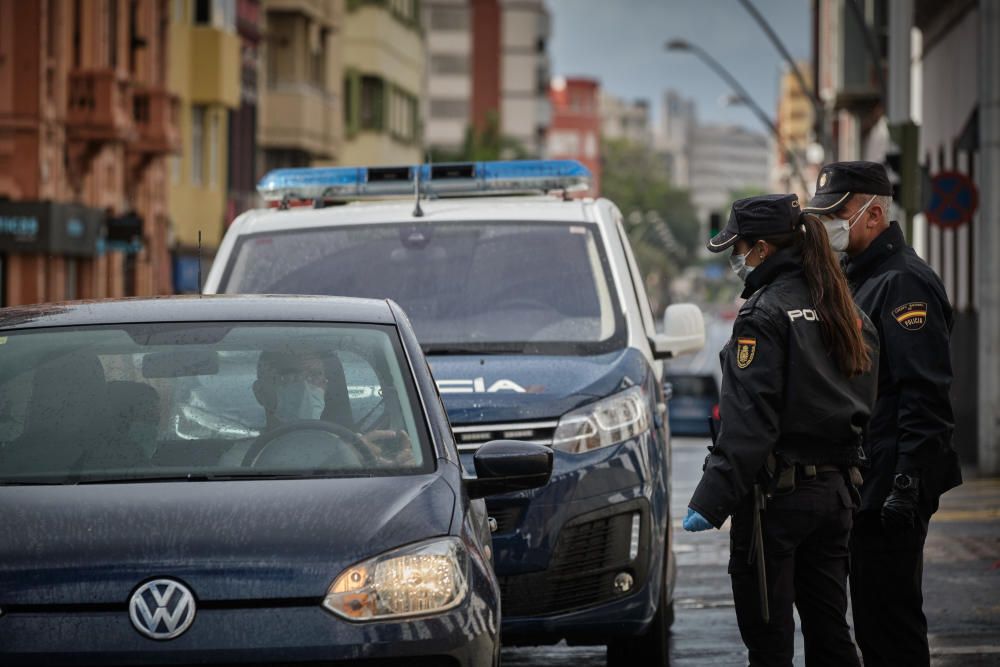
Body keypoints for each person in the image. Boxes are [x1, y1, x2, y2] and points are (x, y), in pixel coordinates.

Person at [684, 194, 879, 666]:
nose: (736, 259)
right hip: (837, 495)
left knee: (769, 643)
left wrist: (710, 502)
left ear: (763, 249)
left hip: (776, 503)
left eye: (740, 247)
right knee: (831, 633)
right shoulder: (843, 309)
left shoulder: (763, 316)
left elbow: (750, 426)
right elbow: (868, 398)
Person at [804, 161, 963, 666]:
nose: (828, 225)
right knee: (872, 625)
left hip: (890, 488)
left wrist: (908, 485)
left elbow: (925, 395)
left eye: (837, 214)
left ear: (873, 215)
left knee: (891, 630)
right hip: (864, 483)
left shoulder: (904, 283)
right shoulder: (858, 277)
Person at [222, 349, 413, 468]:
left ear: (326, 386)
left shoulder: (361, 450)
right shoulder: (241, 461)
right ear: (260, 393)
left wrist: (395, 468)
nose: (305, 386)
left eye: (314, 376)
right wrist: (345, 458)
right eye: (289, 376)